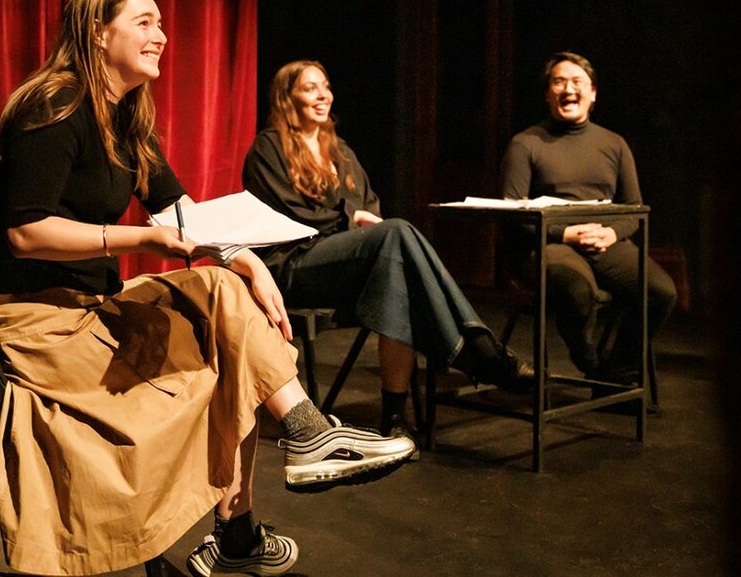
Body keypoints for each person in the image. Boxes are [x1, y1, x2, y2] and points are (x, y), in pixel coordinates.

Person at [0, 0, 414, 576]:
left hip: (94, 309)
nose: (161, 35)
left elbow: (178, 210)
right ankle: (254, 512)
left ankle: (288, 462)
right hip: (41, 323)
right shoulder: (54, 107)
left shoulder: (125, 117)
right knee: (223, 335)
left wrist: (243, 259)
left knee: (226, 301)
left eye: (161, 23)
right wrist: (135, 239)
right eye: (144, 22)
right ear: (99, 33)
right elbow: (26, 233)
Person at [241, 60, 534, 445]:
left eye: (325, 87)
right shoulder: (269, 147)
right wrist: (355, 221)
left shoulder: (339, 150)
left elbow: (370, 206)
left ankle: (395, 419)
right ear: (286, 97)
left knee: (398, 277)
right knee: (397, 232)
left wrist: (364, 222)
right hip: (295, 266)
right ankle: (474, 345)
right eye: (310, 88)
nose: (322, 95)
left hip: (349, 265)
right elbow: (293, 216)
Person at [500, 51, 677, 382]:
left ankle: (617, 373)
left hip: (604, 239)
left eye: (577, 81)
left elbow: (634, 208)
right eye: (559, 82)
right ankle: (590, 362)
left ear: (592, 92)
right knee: (577, 291)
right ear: (547, 94)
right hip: (548, 241)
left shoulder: (614, 144)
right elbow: (513, 215)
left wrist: (611, 234)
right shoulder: (525, 144)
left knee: (661, 292)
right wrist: (566, 235)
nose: (569, 88)